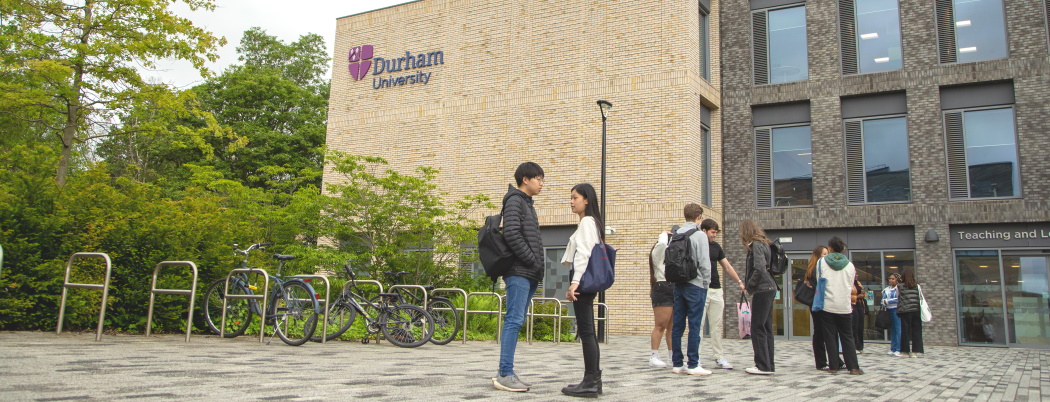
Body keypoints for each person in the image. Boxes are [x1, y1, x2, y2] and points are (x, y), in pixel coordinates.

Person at [492, 162, 544, 393]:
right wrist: (532, 260)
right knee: (513, 320)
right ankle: (504, 373)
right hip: (519, 272)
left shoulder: (526, 204)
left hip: (529, 272)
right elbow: (511, 234)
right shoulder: (514, 200)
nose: (542, 184)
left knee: (516, 320)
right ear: (526, 179)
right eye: (539, 179)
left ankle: (507, 371)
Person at [561, 183, 605, 397]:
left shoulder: (587, 222)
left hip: (583, 282)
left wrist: (574, 282)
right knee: (588, 332)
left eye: (575, 197)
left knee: (587, 332)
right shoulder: (591, 222)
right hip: (586, 283)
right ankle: (594, 380)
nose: (572, 201)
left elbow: (584, 254)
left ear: (586, 199)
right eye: (571, 197)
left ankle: (590, 381)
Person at [669, 203, 712, 376]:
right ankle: (693, 364)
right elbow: (704, 263)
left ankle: (677, 363)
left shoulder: (676, 234)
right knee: (694, 325)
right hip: (695, 284)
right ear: (699, 217)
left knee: (678, 325)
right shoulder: (700, 235)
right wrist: (706, 283)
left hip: (678, 284)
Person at [699, 218, 745, 370]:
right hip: (701, 289)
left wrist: (739, 282)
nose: (715, 235)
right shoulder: (697, 245)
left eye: (716, 233)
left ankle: (719, 357)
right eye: (712, 232)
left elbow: (726, 266)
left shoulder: (716, 247)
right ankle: (695, 358)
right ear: (704, 230)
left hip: (716, 290)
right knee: (698, 325)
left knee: (716, 326)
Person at [815, 237, 863, 375]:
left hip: (827, 303)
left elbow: (820, 280)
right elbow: (850, 284)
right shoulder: (850, 265)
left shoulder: (821, 262)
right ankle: (853, 367)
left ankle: (833, 366)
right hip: (844, 305)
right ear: (842, 249)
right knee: (847, 336)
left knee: (830, 336)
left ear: (829, 248)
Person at [739, 219, 776, 375]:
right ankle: (769, 364)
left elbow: (759, 268)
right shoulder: (765, 244)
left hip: (762, 289)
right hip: (770, 287)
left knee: (757, 327)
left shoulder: (755, 245)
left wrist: (750, 285)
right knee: (766, 327)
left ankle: (762, 365)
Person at [647, 228, 676, 368]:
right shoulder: (658, 253)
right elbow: (662, 244)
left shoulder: (670, 255)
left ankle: (672, 356)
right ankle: (654, 356)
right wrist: (664, 234)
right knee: (661, 325)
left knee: (672, 326)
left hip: (674, 287)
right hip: (662, 287)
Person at [803, 246, 832, 370]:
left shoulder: (816, 268)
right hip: (818, 304)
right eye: (824, 254)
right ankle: (821, 362)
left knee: (821, 332)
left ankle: (825, 361)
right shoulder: (815, 269)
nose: (826, 256)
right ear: (818, 256)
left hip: (817, 303)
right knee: (820, 332)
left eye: (827, 253)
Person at [897, 269, 925, 358]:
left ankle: (905, 351)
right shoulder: (917, 286)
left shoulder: (900, 286)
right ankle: (915, 352)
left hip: (905, 311)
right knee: (916, 331)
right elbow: (920, 297)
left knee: (905, 331)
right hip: (916, 310)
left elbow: (898, 298)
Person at [882, 273, 902, 356]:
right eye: (890, 278)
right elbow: (883, 300)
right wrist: (885, 302)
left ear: (897, 280)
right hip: (889, 310)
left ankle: (899, 348)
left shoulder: (899, 289)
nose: (891, 280)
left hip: (897, 310)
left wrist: (888, 301)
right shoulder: (886, 289)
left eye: (893, 279)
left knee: (898, 329)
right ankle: (893, 348)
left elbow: (899, 299)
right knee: (892, 329)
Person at [851, 278, 868, 354]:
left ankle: (860, 346)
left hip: (860, 305)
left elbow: (864, 294)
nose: (856, 275)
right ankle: (854, 346)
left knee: (860, 326)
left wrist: (863, 295)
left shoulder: (858, 283)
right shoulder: (848, 283)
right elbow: (845, 295)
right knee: (854, 326)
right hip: (852, 305)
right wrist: (857, 297)